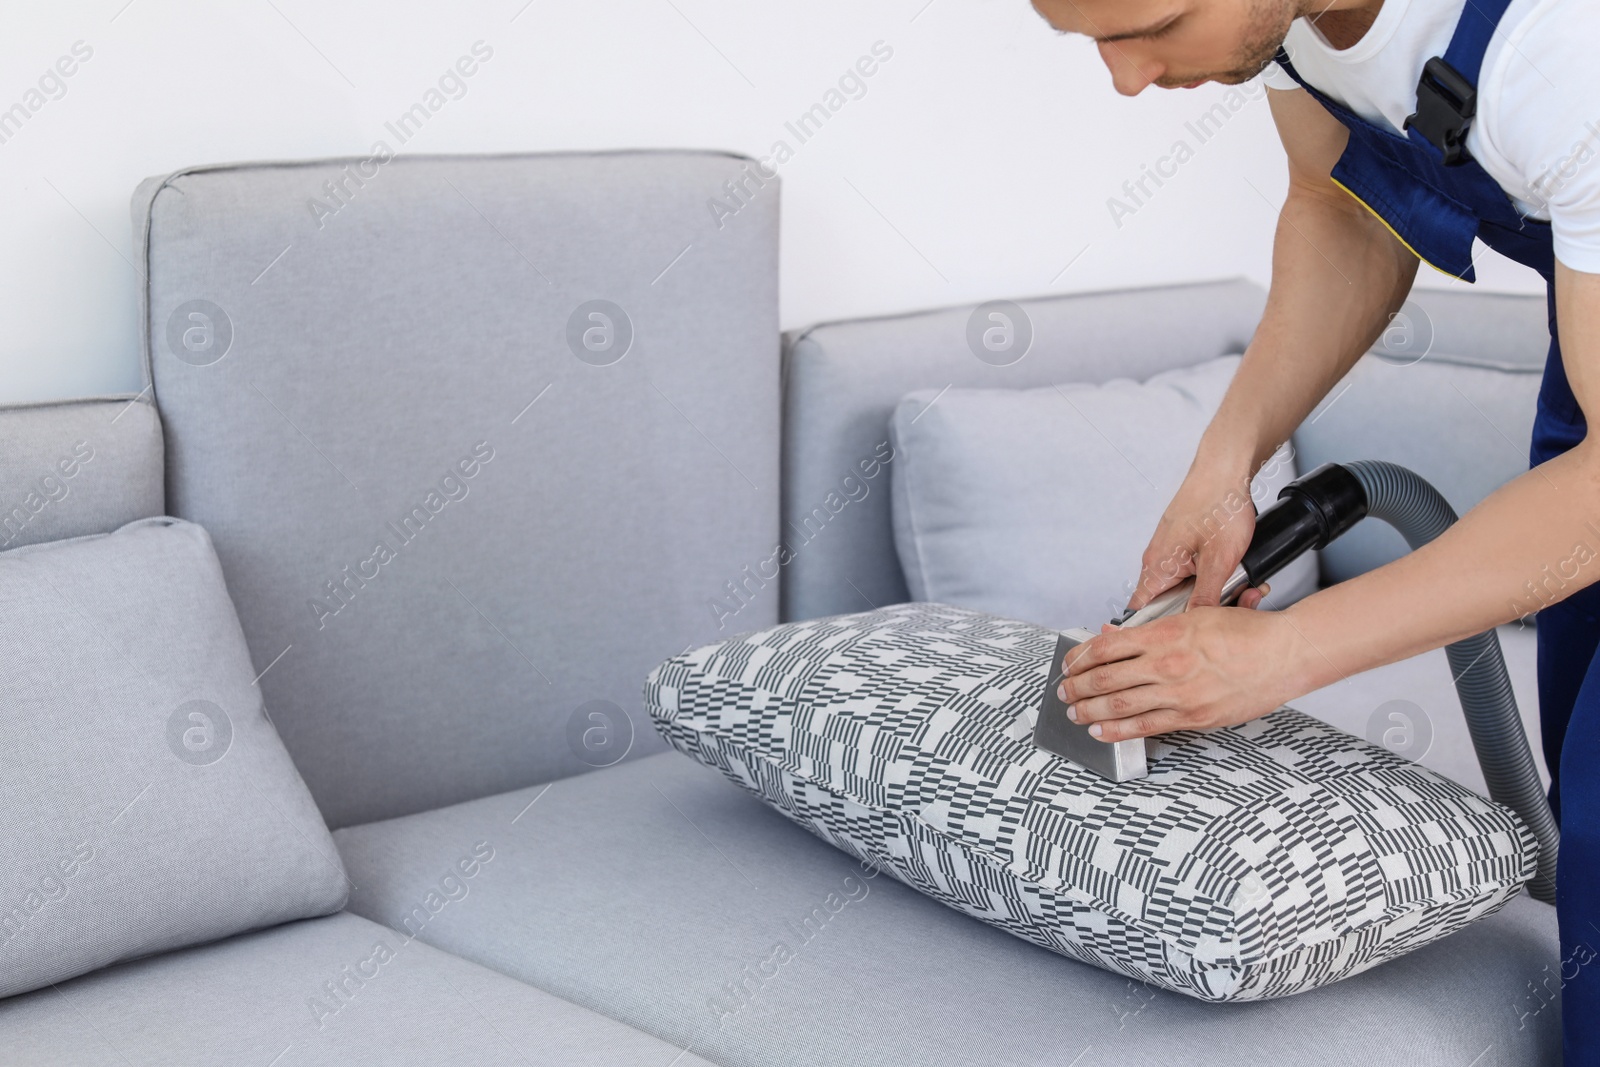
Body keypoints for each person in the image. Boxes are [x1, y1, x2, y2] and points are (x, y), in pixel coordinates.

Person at [1032, 0, 1598, 1059]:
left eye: (1152, 23)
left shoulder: (1562, 54)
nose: (1123, 78)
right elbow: (1344, 209)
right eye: (1087, 38)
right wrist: (1225, 459)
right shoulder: (1292, 23)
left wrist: (1286, 651)